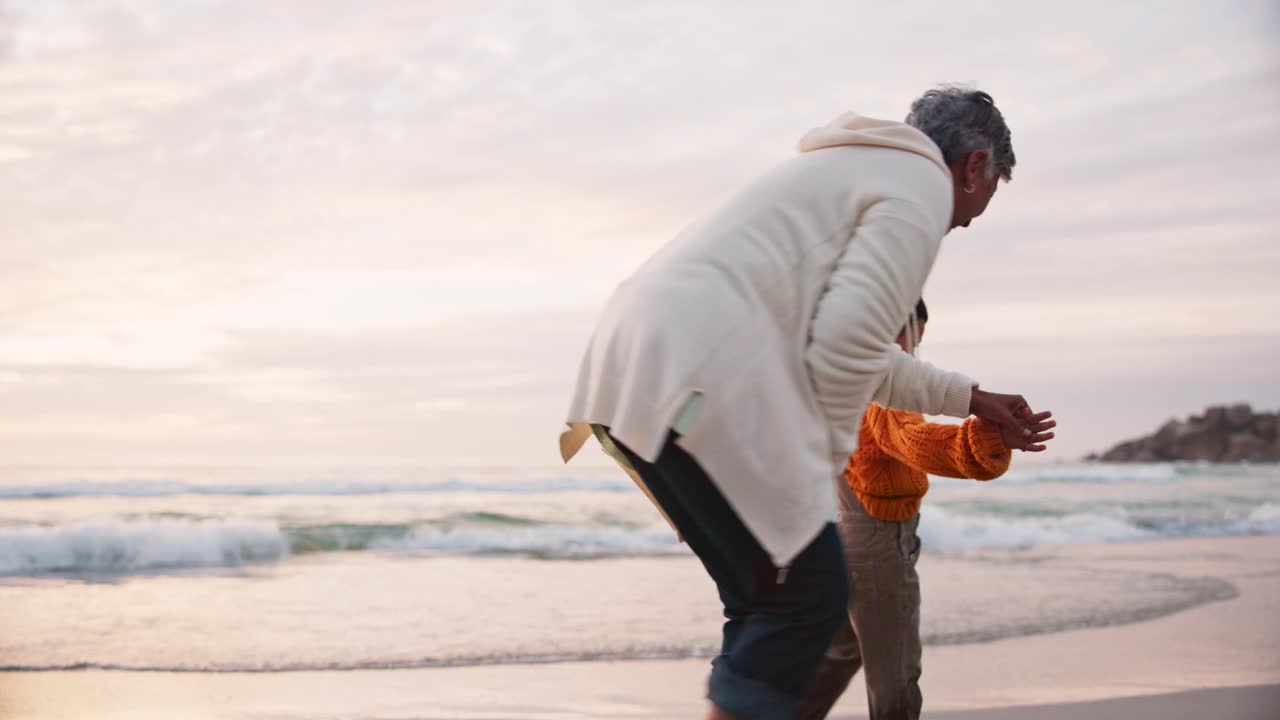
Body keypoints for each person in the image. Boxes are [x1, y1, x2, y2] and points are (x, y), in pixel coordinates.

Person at [559, 86, 1055, 720]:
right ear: (974, 165)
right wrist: (812, 478)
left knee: (770, 605)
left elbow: (857, 348)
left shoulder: (845, 169)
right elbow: (846, 345)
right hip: (694, 381)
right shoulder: (919, 186)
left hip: (626, 378)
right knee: (806, 596)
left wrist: (969, 398)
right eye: (982, 198)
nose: (966, 219)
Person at [796, 300, 1053, 720]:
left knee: (840, 654)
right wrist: (988, 441)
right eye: (909, 338)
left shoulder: (840, 384)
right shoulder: (886, 399)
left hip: (840, 538)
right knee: (895, 680)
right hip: (878, 546)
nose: (912, 351)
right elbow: (918, 443)